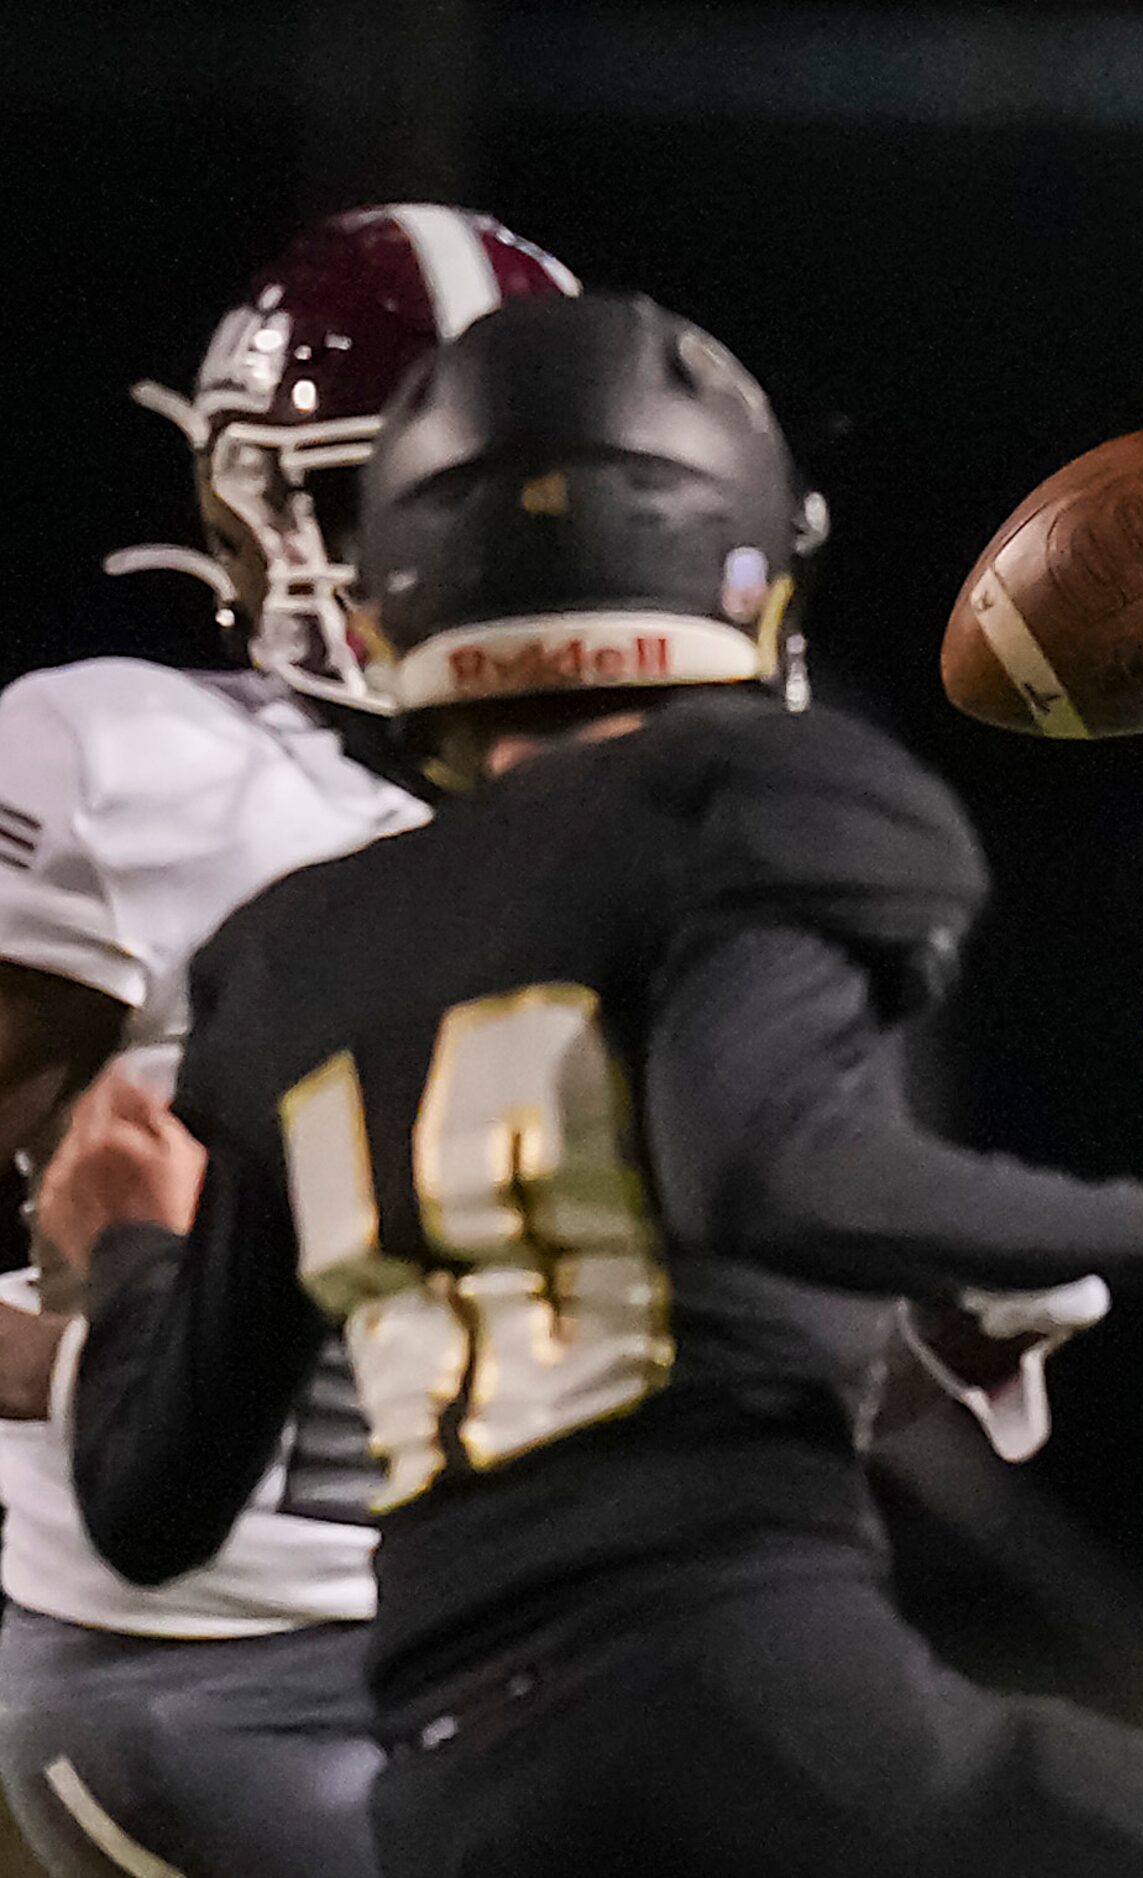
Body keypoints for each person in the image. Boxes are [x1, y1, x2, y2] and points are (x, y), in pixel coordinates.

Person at [43, 289, 1143, 1878]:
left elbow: (151, 1494)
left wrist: (128, 1247)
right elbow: (768, 1165)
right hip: (739, 1666)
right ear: (733, 560)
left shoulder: (285, 953)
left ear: (394, 594)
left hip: (447, 1770)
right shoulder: (776, 797)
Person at [0, 203, 577, 1878]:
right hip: (212, 1666)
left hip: (532, 1632)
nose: (439, 556)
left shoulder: (636, 803)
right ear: (251, 506)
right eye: (373, 495)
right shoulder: (129, 772)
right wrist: (119, 1345)